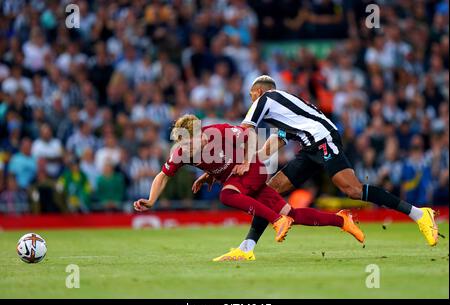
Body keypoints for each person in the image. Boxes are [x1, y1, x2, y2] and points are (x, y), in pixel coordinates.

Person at [209, 75, 439, 261]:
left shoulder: (265, 99)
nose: (251, 101)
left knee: (353, 190)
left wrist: (246, 161)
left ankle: (420, 214)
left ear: (259, 91)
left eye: (252, 96)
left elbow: (246, 129)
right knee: (271, 190)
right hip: (310, 148)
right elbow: (277, 142)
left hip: (322, 140)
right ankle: (246, 248)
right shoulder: (285, 109)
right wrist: (256, 159)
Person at [134, 115, 365, 250]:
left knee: (226, 195)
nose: (188, 148)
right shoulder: (181, 153)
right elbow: (162, 175)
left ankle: (277, 221)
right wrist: (152, 199)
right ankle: (342, 220)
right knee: (292, 212)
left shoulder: (218, 132)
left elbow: (251, 135)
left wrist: (244, 160)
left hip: (251, 168)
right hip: (238, 178)